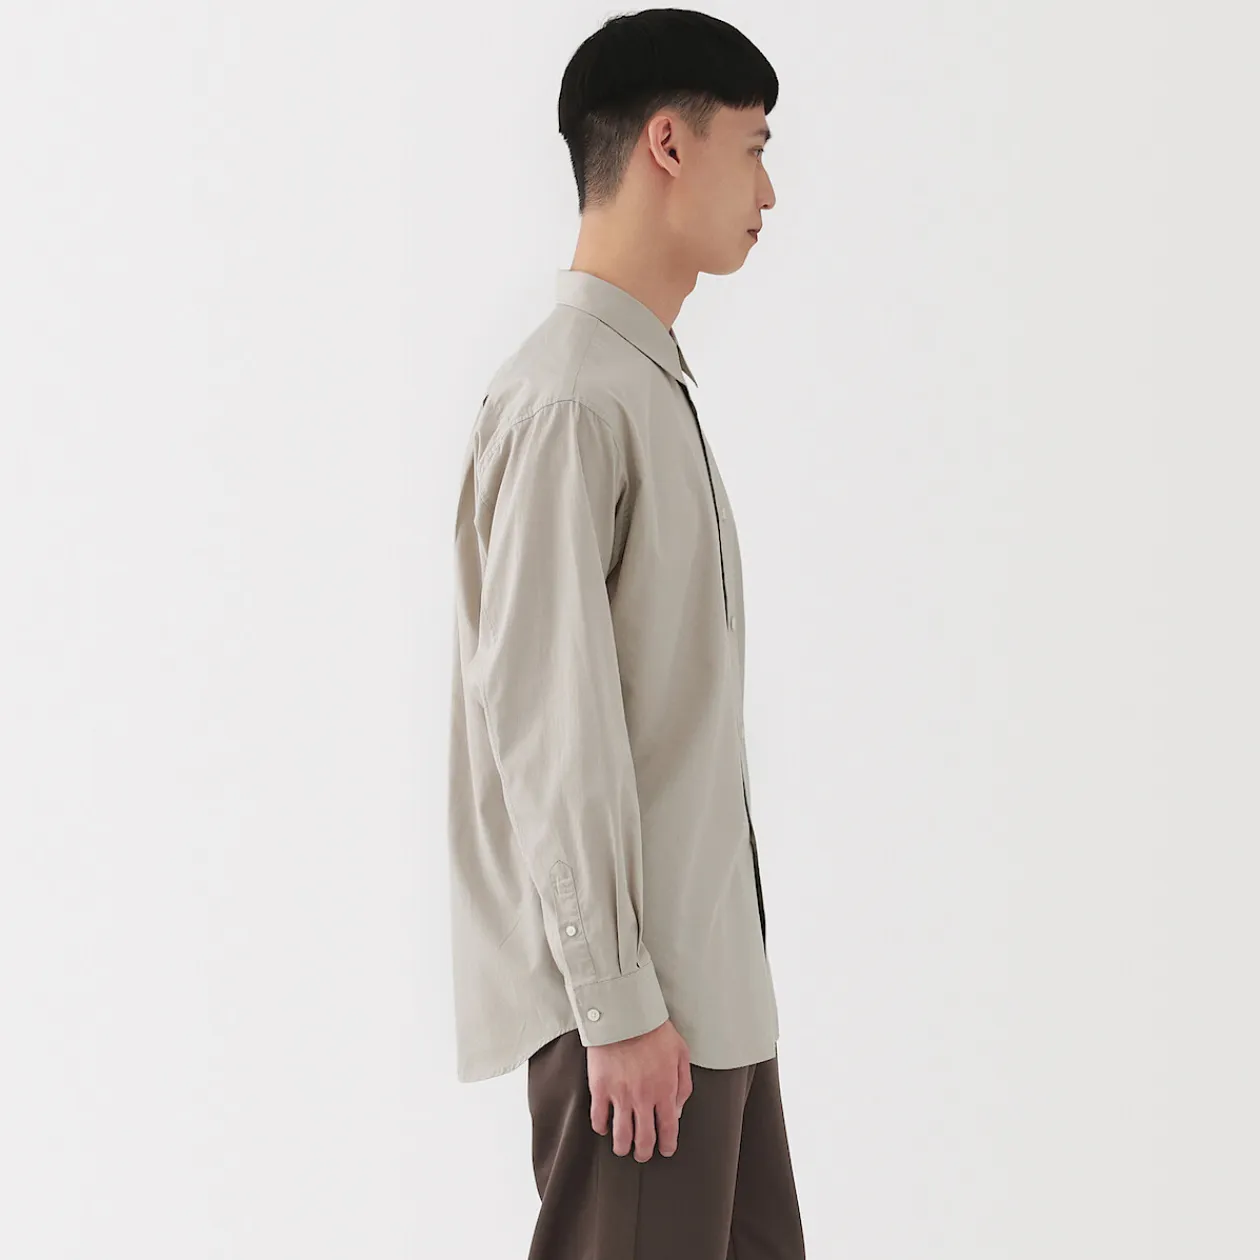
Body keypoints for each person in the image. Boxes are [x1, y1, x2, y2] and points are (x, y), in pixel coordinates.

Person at [446, 9, 805, 1257]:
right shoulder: (568, 400)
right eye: (754, 149)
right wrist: (613, 1004)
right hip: (643, 1027)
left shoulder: (640, 388)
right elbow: (549, 727)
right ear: (668, 143)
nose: (768, 191)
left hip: (706, 1008)